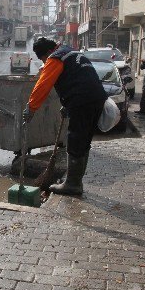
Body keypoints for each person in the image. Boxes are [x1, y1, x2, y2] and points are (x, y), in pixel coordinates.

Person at [23, 38, 107, 196]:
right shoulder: (70, 52)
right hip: (96, 98)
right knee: (84, 140)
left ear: (47, 53)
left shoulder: (55, 58)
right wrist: (68, 104)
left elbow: (43, 84)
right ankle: (75, 181)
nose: (44, 61)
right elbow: (79, 78)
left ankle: (72, 184)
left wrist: (31, 108)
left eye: (42, 58)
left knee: (75, 139)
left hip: (82, 100)